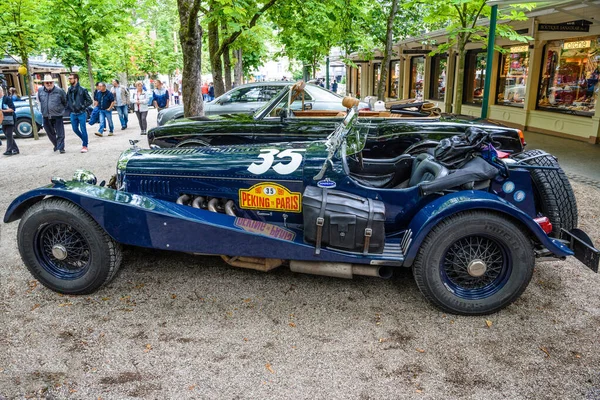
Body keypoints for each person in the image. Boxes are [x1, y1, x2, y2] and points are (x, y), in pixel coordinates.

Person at [37, 74, 67, 153]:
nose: (49, 84)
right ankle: (56, 144)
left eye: (50, 82)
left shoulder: (59, 90)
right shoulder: (40, 91)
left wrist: (61, 111)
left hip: (57, 115)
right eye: (47, 83)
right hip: (46, 115)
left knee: (60, 133)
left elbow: (65, 101)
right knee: (50, 133)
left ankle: (61, 148)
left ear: (53, 82)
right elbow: (40, 101)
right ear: (44, 83)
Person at [67, 73, 93, 153]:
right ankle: (84, 139)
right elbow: (67, 99)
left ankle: (85, 145)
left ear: (76, 79)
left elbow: (90, 101)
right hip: (73, 113)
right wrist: (69, 107)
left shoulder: (82, 89)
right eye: (69, 78)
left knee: (83, 129)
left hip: (81, 113)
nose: (69, 80)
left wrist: (82, 106)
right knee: (75, 129)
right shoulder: (69, 89)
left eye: (71, 78)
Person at [0, 87, 19, 156]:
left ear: (2, 91)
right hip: (2, 119)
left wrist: (3, 110)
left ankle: (9, 150)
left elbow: (13, 109)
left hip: (10, 118)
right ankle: (16, 149)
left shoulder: (7, 99)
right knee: (8, 135)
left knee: (8, 134)